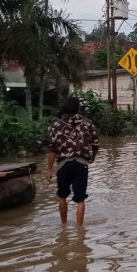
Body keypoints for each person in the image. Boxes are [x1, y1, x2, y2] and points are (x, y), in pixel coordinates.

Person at [46, 96, 99, 226]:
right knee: (80, 199)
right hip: (82, 164)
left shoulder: (55, 126)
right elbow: (95, 143)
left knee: (62, 196)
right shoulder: (88, 123)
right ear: (78, 108)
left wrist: (49, 170)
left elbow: (52, 150)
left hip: (64, 164)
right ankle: (80, 230)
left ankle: (64, 225)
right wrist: (93, 157)